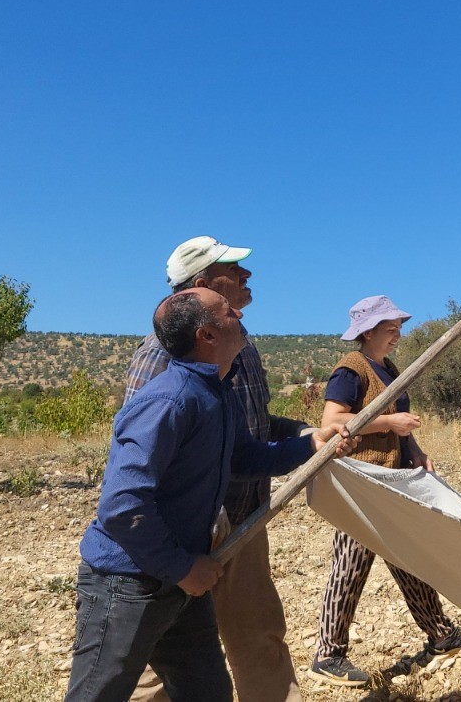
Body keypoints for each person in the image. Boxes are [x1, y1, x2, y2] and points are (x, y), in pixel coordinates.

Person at [65, 289, 356, 702]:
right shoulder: (168, 401)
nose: (238, 312)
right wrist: (183, 567)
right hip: (128, 584)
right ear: (207, 335)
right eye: (227, 311)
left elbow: (245, 456)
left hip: (180, 584)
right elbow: (121, 505)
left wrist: (311, 445)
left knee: (207, 692)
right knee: (98, 694)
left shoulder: (218, 393)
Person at [122, 236, 310, 702]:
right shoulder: (159, 354)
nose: (247, 276)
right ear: (203, 284)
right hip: (188, 532)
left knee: (259, 635)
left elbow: (252, 426)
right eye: (235, 269)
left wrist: (308, 434)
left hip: (245, 516)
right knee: (162, 660)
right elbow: (141, 452)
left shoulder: (240, 346)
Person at [310, 295, 461, 687]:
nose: (397, 334)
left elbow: (399, 430)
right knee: (349, 567)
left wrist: (417, 452)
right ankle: (328, 654)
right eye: (390, 328)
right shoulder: (350, 370)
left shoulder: (389, 370)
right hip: (361, 483)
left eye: (397, 327)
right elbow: (334, 419)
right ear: (368, 331)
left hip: (391, 482)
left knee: (409, 558)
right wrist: (390, 421)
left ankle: (441, 636)